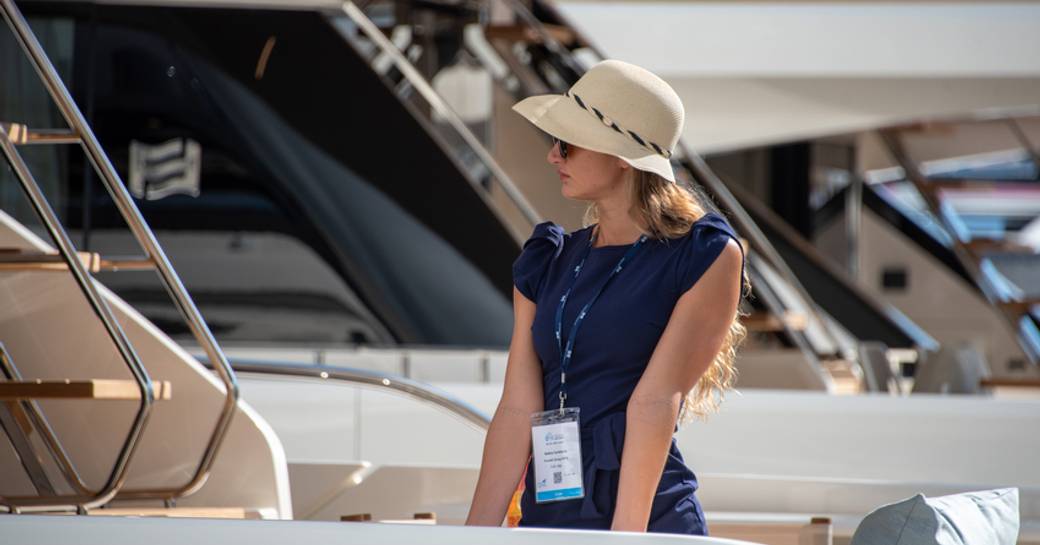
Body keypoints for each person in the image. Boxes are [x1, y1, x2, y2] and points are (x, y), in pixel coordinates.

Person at [465, 59, 749, 535]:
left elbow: (655, 403)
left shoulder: (705, 254)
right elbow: (517, 407)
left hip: (646, 520)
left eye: (568, 144)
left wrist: (624, 539)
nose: (553, 156)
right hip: (550, 515)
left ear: (622, 155)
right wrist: (472, 534)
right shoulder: (547, 258)